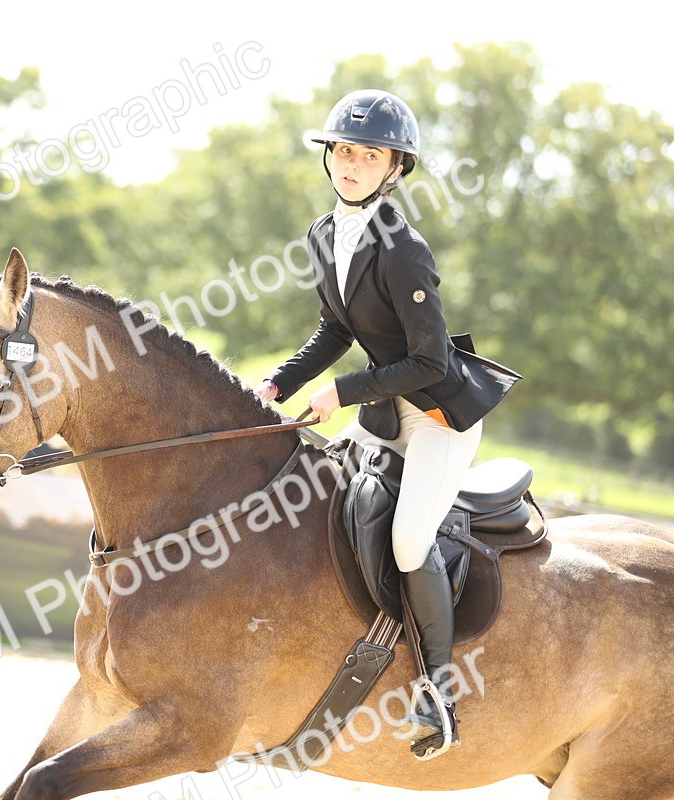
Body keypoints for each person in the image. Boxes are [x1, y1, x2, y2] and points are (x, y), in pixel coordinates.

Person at [255, 90, 515, 760]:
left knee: (406, 539)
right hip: (383, 409)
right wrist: (278, 384)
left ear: (395, 168)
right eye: (344, 150)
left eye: (369, 156)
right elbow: (334, 330)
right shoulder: (323, 234)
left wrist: (341, 392)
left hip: (437, 417)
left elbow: (430, 362)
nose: (351, 164)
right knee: (311, 490)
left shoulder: (404, 250)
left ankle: (439, 695)